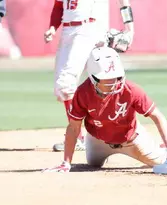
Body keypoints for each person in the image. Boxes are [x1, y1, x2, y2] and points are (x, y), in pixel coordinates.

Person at [43, 47, 167, 172]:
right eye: (106, 80)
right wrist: (66, 162)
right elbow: (73, 127)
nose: (113, 83)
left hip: (131, 140)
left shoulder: (131, 90)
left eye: (116, 77)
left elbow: (157, 116)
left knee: (159, 161)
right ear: (92, 77)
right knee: (93, 164)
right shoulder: (82, 93)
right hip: (98, 140)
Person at [44, 0, 134, 152]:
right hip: (67, 32)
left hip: (88, 29)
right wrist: (52, 28)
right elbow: (59, 5)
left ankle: (96, 135)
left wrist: (129, 27)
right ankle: (84, 136)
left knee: (69, 84)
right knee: (63, 89)